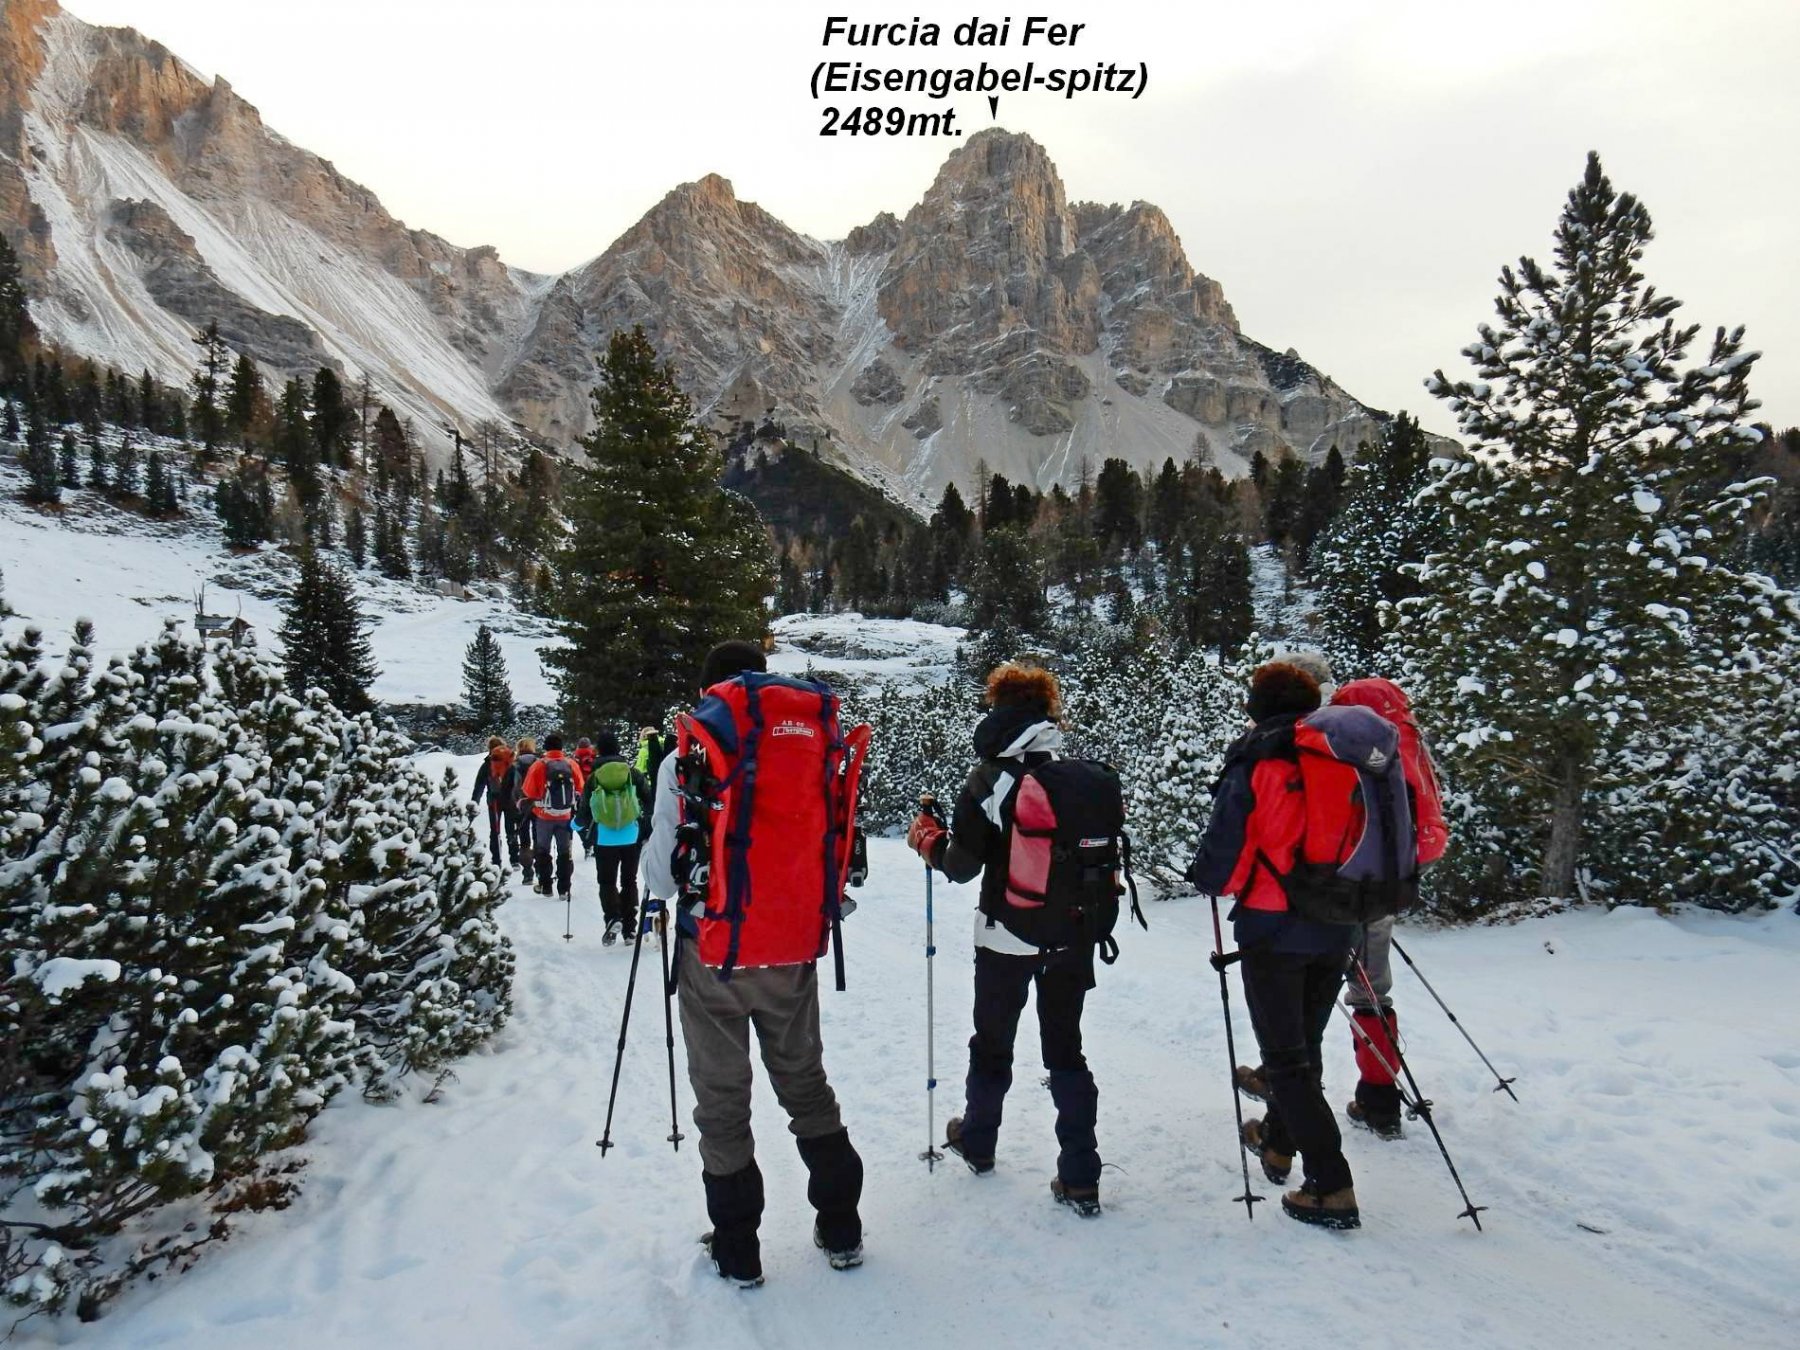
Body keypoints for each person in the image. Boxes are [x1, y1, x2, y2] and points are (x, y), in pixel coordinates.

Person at [643, 640, 867, 1287]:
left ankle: (739, 1250)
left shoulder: (689, 755)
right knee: (806, 1085)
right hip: (792, 944)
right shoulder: (806, 746)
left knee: (722, 1102)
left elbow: (661, 873)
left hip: (712, 950)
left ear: (708, 694)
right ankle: (842, 1228)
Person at [903, 661, 1117, 1218]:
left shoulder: (991, 778)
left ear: (997, 711)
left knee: (993, 1041)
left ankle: (978, 1141)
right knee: (1066, 1049)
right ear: (1048, 712)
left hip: (1008, 934)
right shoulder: (1075, 775)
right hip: (1073, 933)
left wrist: (927, 840)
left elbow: (960, 866)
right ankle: (1081, 1174)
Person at [1188, 661, 1372, 1230]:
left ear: (1256, 706)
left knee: (1286, 1061)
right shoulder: (1344, 753)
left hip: (1274, 924)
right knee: (1304, 1046)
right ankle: (1277, 1144)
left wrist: (1206, 878)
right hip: (1339, 919)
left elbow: (1227, 849)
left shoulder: (1258, 757)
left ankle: (1331, 1184)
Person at [587, 729, 650, 945]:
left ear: (599, 751)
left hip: (604, 837)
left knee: (607, 881)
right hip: (631, 834)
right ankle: (630, 929)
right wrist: (646, 824)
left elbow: (584, 809)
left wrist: (575, 826)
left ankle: (613, 918)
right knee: (629, 880)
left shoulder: (594, 777)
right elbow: (649, 799)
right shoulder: (632, 774)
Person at [520, 734, 585, 899]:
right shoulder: (571, 764)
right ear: (561, 747)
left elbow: (528, 791)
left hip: (543, 816)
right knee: (564, 852)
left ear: (545, 748)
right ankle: (564, 889)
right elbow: (580, 787)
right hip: (565, 815)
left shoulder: (538, 765)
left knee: (543, 851)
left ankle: (545, 886)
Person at [468, 736, 517, 869]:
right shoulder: (510, 762)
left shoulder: (487, 764)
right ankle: (514, 859)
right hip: (510, 800)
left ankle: (496, 860)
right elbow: (517, 783)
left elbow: (479, 786)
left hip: (494, 801)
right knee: (511, 829)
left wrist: (474, 803)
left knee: (495, 831)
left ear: (489, 748)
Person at [503, 737, 539, 880]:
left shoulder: (513, 766)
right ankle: (540, 868)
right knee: (538, 838)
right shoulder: (539, 763)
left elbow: (506, 789)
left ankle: (527, 873)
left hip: (520, 805)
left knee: (524, 841)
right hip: (538, 805)